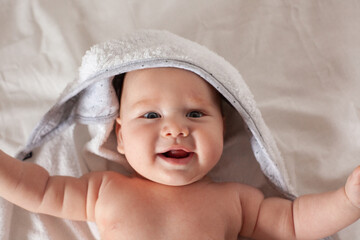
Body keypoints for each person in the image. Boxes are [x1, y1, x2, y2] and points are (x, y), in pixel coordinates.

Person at [0, 67, 359, 240]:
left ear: (224, 128)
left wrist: (348, 201)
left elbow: (294, 222)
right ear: (120, 137)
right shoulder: (104, 190)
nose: (176, 129)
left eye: (195, 114)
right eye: (151, 115)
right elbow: (39, 189)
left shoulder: (235, 200)